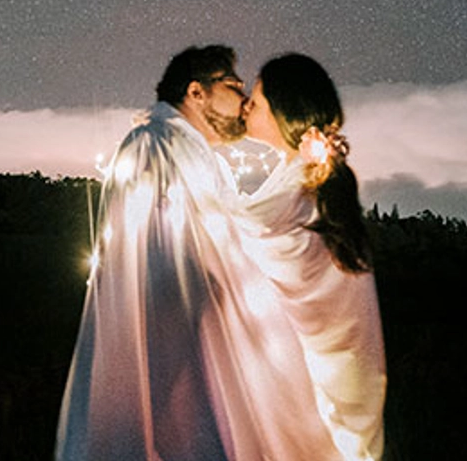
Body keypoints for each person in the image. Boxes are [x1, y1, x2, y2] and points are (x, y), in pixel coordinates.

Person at [55, 44, 342, 461]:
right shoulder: (152, 145)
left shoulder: (192, 153)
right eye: (233, 85)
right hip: (173, 358)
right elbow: (161, 262)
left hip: (199, 348)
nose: (244, 100)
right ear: (196, 92)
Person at [240, 53, 387, 461]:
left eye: (257, 97)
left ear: (285, 110)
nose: (246, 104)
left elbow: (230, 234)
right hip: (341, 389)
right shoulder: (308, 181)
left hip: (309, 391)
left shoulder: (298, 189)